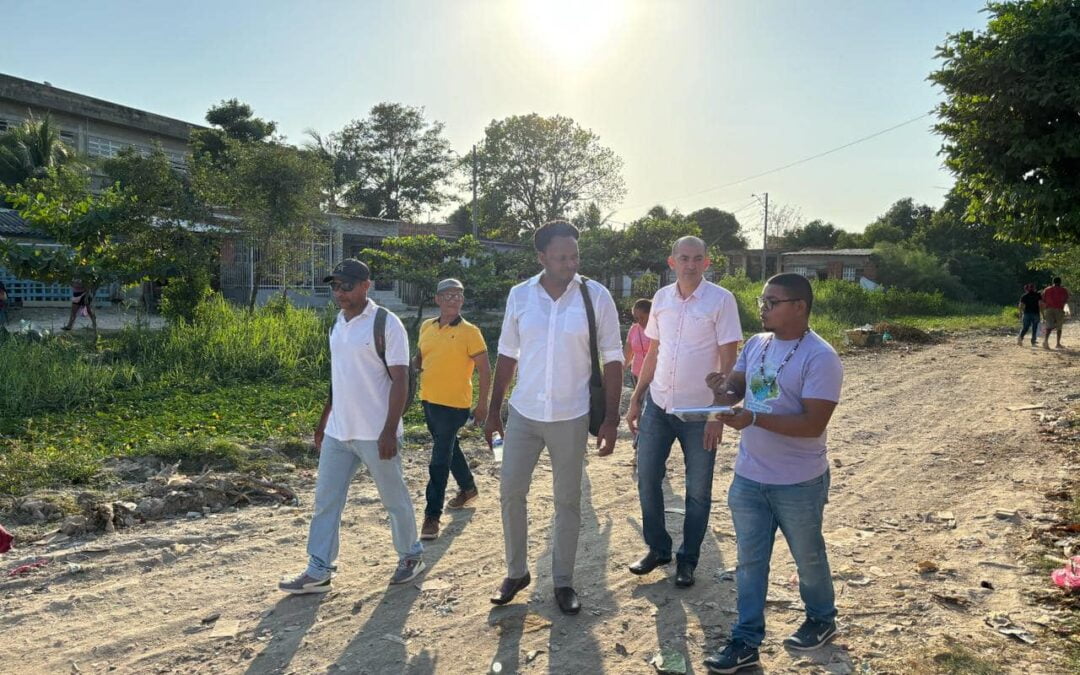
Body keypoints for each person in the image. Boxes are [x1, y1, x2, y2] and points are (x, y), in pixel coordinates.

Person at [703, 273, 843, 674]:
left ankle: (821, 617)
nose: (762, 308)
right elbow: (736, 392)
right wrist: (722, 388)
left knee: (808, 556)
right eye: (762, 300)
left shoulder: (821, 357)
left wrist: (753, 420)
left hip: (798, 481)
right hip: (749, 477)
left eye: (772, 302)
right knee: (749, 562)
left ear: (799, 307)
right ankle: (745, 640)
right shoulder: (756, 344)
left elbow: (812, 423)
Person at [484, 220, 623, 615]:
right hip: (524, 413)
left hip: (571, 415)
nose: (570, 263)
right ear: (541, 257)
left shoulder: (595, 297)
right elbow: (507, 355)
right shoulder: (520, 295)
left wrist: (610, 419)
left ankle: (563, 581)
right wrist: (494, 411)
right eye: (561, 256)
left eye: (575, 255)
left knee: (568, 501)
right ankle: (516, 572)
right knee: (511, 491)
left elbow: (613, 358)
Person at [279, 259, 424, 594]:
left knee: (394, 498)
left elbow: (402, 380)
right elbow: (338, 378)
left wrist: (390, 430)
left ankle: (411, 555)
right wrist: (324, 419)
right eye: (335, 286)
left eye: (346, 286)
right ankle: (318, 569)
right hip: (338, 432)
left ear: (365, 286)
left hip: (376, 433)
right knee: (326, 501)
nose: (339, 293)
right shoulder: (338, 324)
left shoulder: (386, 324)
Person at [625, 236, 742, 588]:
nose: (690, 264)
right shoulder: (661, 299)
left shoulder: (721, 300)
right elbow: (655, 352)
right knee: (647, 478)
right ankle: (658, 548)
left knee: (698, 490)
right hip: (658, 406)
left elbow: (729, 358)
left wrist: (718, 414)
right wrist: (637, 397)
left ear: (707, 262)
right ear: (672, 261)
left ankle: (688, 559)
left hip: (699, 412)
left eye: (697, 258)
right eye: (684, 258)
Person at [416, 278, 491, 541]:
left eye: (458, 295)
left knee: (439, 459)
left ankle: (431, 515)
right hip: (429, 400)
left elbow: (485, 369)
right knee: (448, 448)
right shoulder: (426, 326)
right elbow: (421, 357)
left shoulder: (471, 331)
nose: (453, 300)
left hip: (455, 404)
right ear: (437, 299)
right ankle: (468, 488)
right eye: (447, 295)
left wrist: (483, 404)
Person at [623, 298, 653, 388]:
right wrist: (621, 370)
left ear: (650, 314)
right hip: (636, 374)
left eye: (642, 318)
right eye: (636, 318)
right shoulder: (633, 329)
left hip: (654, 376)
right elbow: (627, 354)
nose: (639, 321)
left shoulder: (658, 329)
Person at [1040, 277, 1070, 350]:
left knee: (1049, 326)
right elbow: (1066, 299)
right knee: (1059, 327)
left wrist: (1043, 311)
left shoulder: (1047, 289)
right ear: (1060, 282)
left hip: (1048, 309)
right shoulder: (1063, 290)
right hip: (1059, 309)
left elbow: (1043, 300)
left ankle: (1045, 341)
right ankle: (1058, 343)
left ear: (1053, 282)